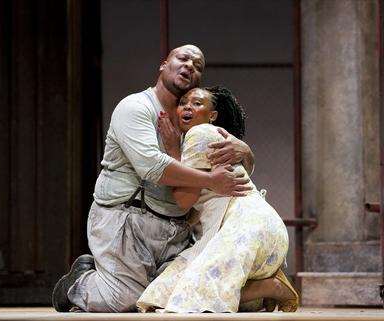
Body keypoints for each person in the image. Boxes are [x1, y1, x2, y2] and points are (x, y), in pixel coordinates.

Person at [52, 45, 255, 313]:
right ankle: (80, 282)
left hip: (176, 229)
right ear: (163, 65)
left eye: (197, 66)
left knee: (185, 295)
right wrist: (209, 181)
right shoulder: (135, 107)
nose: (189, 66)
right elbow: (152, 166)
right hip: (126, 219)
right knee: (123, 301)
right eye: (183, 58)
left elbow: (229, 172)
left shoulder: (194, 122)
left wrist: (247, 153)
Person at [136, 86, 299, 313]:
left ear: (212, 116)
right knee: (165, 295)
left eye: (197, 103)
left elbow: (184, 199)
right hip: (263, 232)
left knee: (191, 299)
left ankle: (271, 287)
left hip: (247, 228)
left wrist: (172, 149)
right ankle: (266, 289)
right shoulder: (216, 135)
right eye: (183, 102)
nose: (187, 107)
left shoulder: (198, 133)